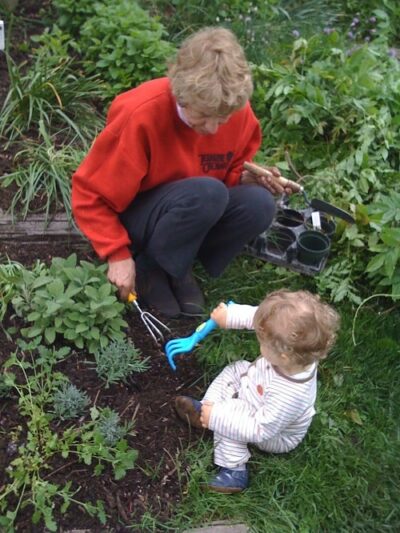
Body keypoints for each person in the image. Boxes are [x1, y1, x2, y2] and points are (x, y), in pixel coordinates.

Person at [72, 27, 292, 318]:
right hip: (140, 214)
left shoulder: (234, 111)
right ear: (181, 93)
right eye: (202, 117)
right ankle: (151, 268)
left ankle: (178, 265)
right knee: (207, 194)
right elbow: (90, 195)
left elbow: (216, 169)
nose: (213, 129)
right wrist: (117, 254)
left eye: (222, 120)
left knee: (259, 204)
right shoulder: (142, 115)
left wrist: (241, 177)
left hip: (189, 206)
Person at [175, 289, 340, 493]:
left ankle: (234, 470)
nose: (258, 339)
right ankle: (205, 413)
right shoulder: (292, 348)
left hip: (272, 432)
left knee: (232, 418)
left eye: (263, 343)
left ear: (283, 355)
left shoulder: (289, 395)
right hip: (258, 389)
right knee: (235, 370)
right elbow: (262, 319)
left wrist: (219, 417)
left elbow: (258, 429)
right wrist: (230, 316)